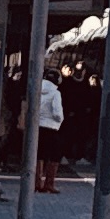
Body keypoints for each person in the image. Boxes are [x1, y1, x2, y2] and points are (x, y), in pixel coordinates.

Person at [31, 65, 66, 193]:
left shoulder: (37, 90)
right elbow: (57, 113)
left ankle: (36, 183)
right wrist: (60, 119)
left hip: (38, 126)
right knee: (55, 155)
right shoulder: (55, 93)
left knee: (39, 154)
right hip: (51, 127)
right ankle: (49, 184)